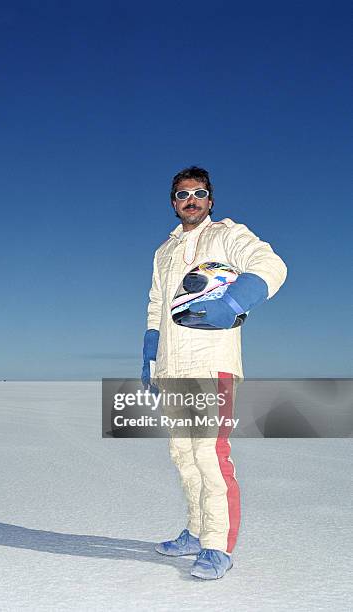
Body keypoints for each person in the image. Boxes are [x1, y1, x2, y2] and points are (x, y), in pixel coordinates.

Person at [142, 166, 287, 579]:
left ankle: (217, 546)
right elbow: (157, 302)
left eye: (199, 193)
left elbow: (270, 264)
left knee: (209, 454)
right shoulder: (164, 250)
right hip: (173, 365)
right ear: (173, 202)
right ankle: (196, 529)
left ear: (210, 200)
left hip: (211, 361)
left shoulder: (227, 234)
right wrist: (151, 355)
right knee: (183, 454)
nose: (191, 200)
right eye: (183, 194)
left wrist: (237, 299)